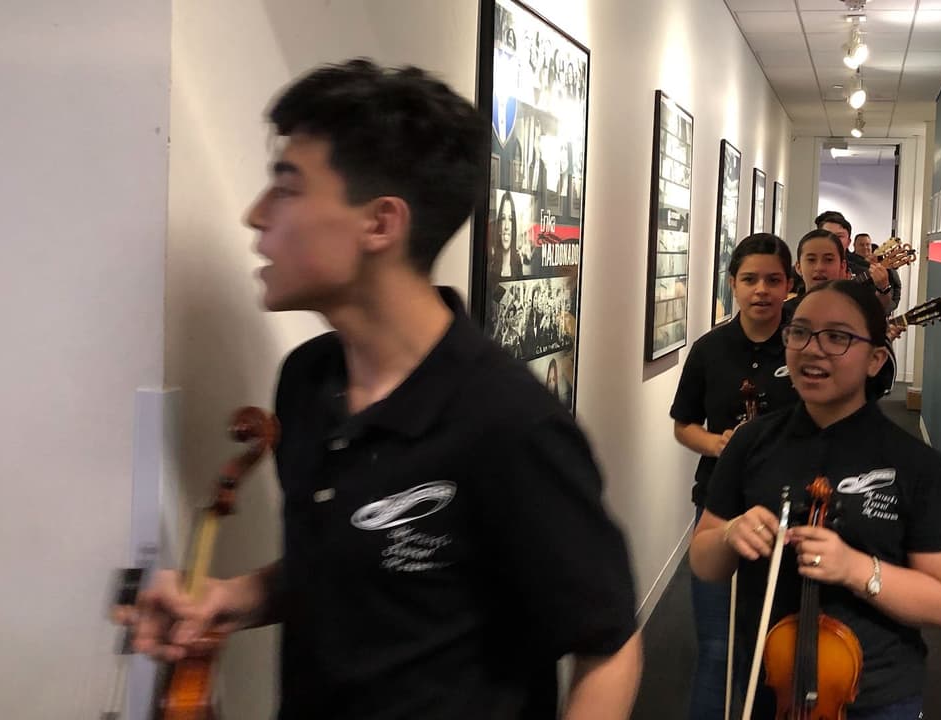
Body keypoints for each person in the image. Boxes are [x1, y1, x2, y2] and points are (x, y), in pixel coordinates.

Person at [116, 59, 641, 719]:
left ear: (380, 224)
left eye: (287, 187)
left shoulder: (510, 422)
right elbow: (348, 562)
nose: (256, 216)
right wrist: (232, 597)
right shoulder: (308, 382)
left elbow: (608, 645)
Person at [689, 279, 941, 719]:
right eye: (799, 332)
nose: (812, 349)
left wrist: (855, 568)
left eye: (837, 337)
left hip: (872, 692)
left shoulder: (917, 465)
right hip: (768, 681)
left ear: (876, 359)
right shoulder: (752, 443)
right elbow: (704, 561)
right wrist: (728, 535)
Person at [670, 233, 801, 720]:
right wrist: (720, 444)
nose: (761, 290)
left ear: (790, 285)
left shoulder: (803, 346)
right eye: (749, 279)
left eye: (773, 279)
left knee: (779, 646)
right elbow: (684, 427)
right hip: (720, 506)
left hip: (790, 510)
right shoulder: (708, 350)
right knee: (718, 648)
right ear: (732, 283)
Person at [815, 211, 893, 312]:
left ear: (848, 242)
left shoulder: (862, 271)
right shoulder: (803, 270)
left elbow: (877, 309)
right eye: (827, 235)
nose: (833, 240)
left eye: (839, 236)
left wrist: (883, 288)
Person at [783, 228, 850, 320]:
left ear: (842, 266)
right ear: (798, 267)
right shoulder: (784, 314)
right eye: (811, 260)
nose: (819, 267)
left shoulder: (854, 312)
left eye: (829, 260)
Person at [856, 234, 901, 313]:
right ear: (854, 245)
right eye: (861, 245)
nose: (865, 247)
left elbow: (894, 298)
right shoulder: (848, 262)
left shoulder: (887, 271)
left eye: (868, 244)